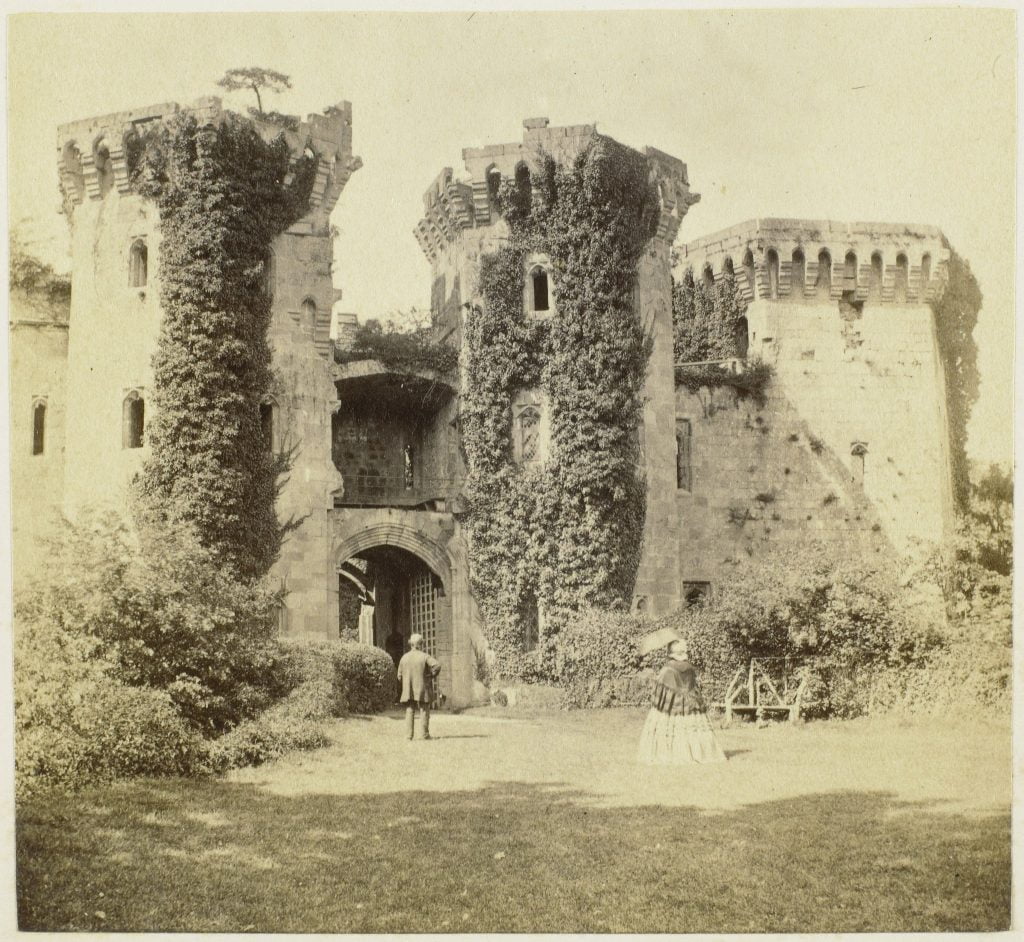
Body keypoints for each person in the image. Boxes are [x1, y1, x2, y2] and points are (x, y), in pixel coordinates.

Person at [637, 635, 727, 764]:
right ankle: (699, 753)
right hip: (691, 704)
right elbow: (693, 686)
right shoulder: (690, 668)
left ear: (670, 653)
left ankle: (672, 754)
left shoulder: (667, 669)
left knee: (671, 730)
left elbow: (660, 691)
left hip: (672, 707)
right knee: (692, 729)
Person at [397, 633, 441, 741]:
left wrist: (406, 682)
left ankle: (408, 736)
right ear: (421, 644)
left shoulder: (404, 657)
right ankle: (425, 735)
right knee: (424, 709)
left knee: (409, 709)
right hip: (422, 687)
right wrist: (431, 675)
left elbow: (399, 675)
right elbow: (437, 665)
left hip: (409, 688)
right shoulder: (425, 656)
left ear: (411, 644)